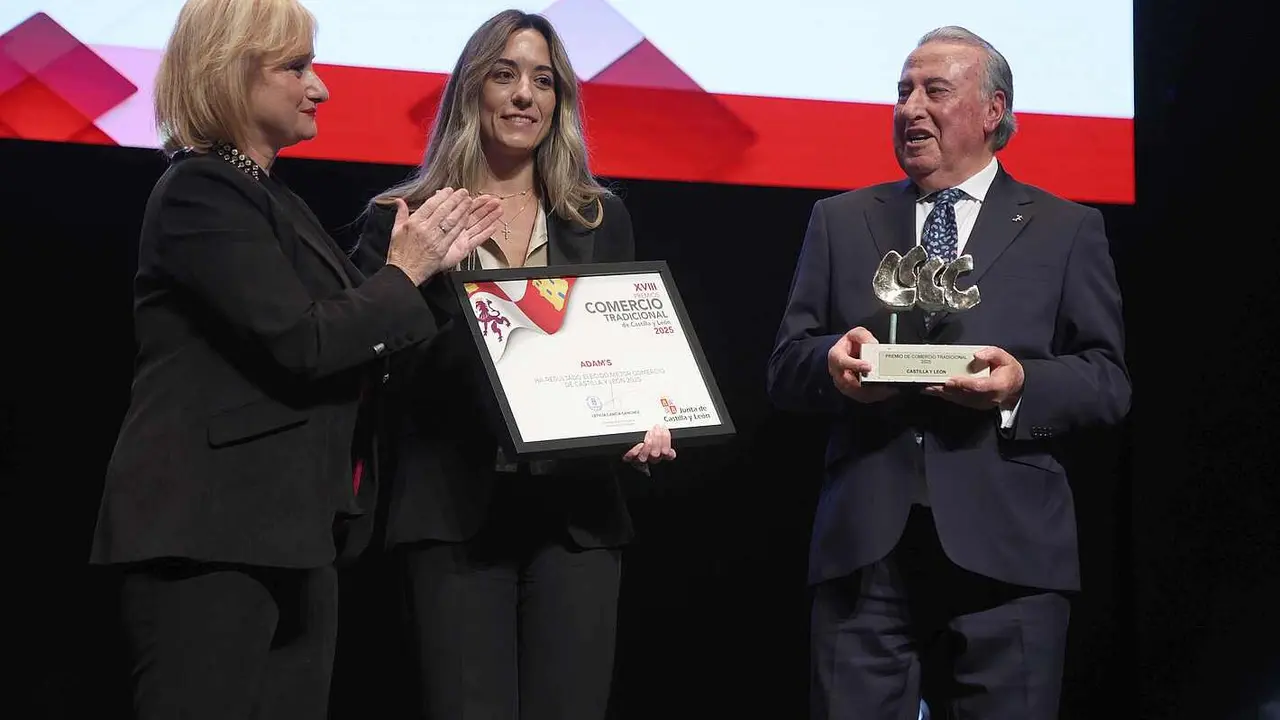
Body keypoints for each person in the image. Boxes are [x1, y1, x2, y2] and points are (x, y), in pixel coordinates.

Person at [87, 1, 502, 718]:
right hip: (210, 541)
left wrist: (433, 278)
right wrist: (404, 273)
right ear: (229, 72)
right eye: (296, 67)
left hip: (295, 539)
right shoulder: (199, 191)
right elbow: (305, 342)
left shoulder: (270, 198)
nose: (321, 87)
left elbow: (356, 340)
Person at [766, 26, 1130, 720]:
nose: (910, 109)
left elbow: (1107, 379)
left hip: (1012, 553)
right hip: (866, 549)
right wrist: (833, 365)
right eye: (902, 92)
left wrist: (1021, 384)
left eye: (935, 91)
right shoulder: (840, 220)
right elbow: (787, 362)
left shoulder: (1064, 228)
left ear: (993, 111)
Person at [351, 9, 675, 720]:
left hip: (577, 517)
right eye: (505, 75)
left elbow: (623, 356)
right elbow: (378, 370)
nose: (525, 95)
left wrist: (645, 417)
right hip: (454, 513)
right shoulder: (404, 219)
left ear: (560, 102)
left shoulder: (595, 218)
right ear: (472, 90)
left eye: (543, 80)